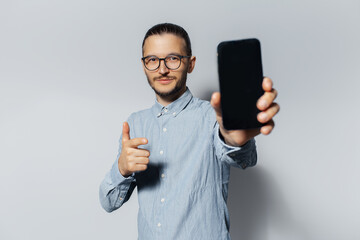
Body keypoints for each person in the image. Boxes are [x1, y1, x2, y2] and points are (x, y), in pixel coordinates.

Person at [99, 23, 280, 239]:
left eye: (173, 58)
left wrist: (235, 141)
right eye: (153, 60)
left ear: (190, 63)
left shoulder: (213, 117)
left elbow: (244, 158)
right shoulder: (135, 124)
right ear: (144, 65)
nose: (162, 69)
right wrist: (122, 169)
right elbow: (108, 202)